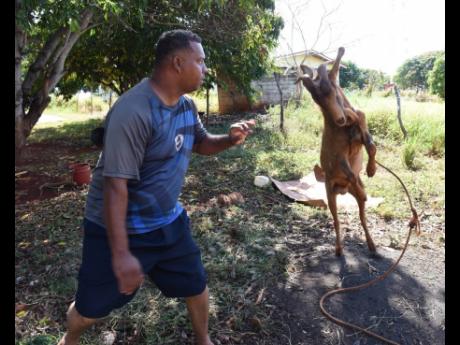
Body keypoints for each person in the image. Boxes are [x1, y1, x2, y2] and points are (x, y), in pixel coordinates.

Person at [58, 29, 255, 345]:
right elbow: (115, 186)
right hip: (116, 229)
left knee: (196, 284)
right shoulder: (133, 110)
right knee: (90, 310)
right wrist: (121, 254)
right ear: (178, 63)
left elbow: (201, 143)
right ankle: (69, 339)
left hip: (167, 222)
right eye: (200, 62)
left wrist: (229, 140)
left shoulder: (186, 106)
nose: (205, 69)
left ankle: (203, 340)